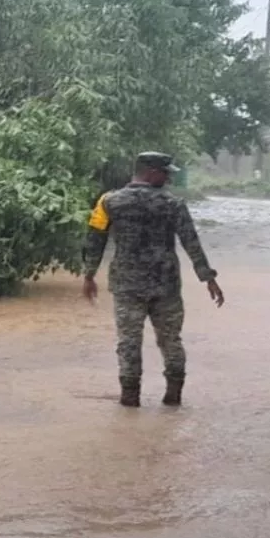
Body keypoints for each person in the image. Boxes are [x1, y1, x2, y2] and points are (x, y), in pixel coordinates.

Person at [82, 152, 224, 407]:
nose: (169, 177)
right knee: (171, 339)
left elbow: (95, 239)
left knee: (128, 341)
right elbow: (191, 243)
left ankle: (130, 397)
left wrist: (89, 274)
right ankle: (174, 395)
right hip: (165, 284)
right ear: (149, 172)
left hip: (127, 284)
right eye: (165, 172)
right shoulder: (174, 204)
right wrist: (207, 277)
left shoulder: (109, 201)